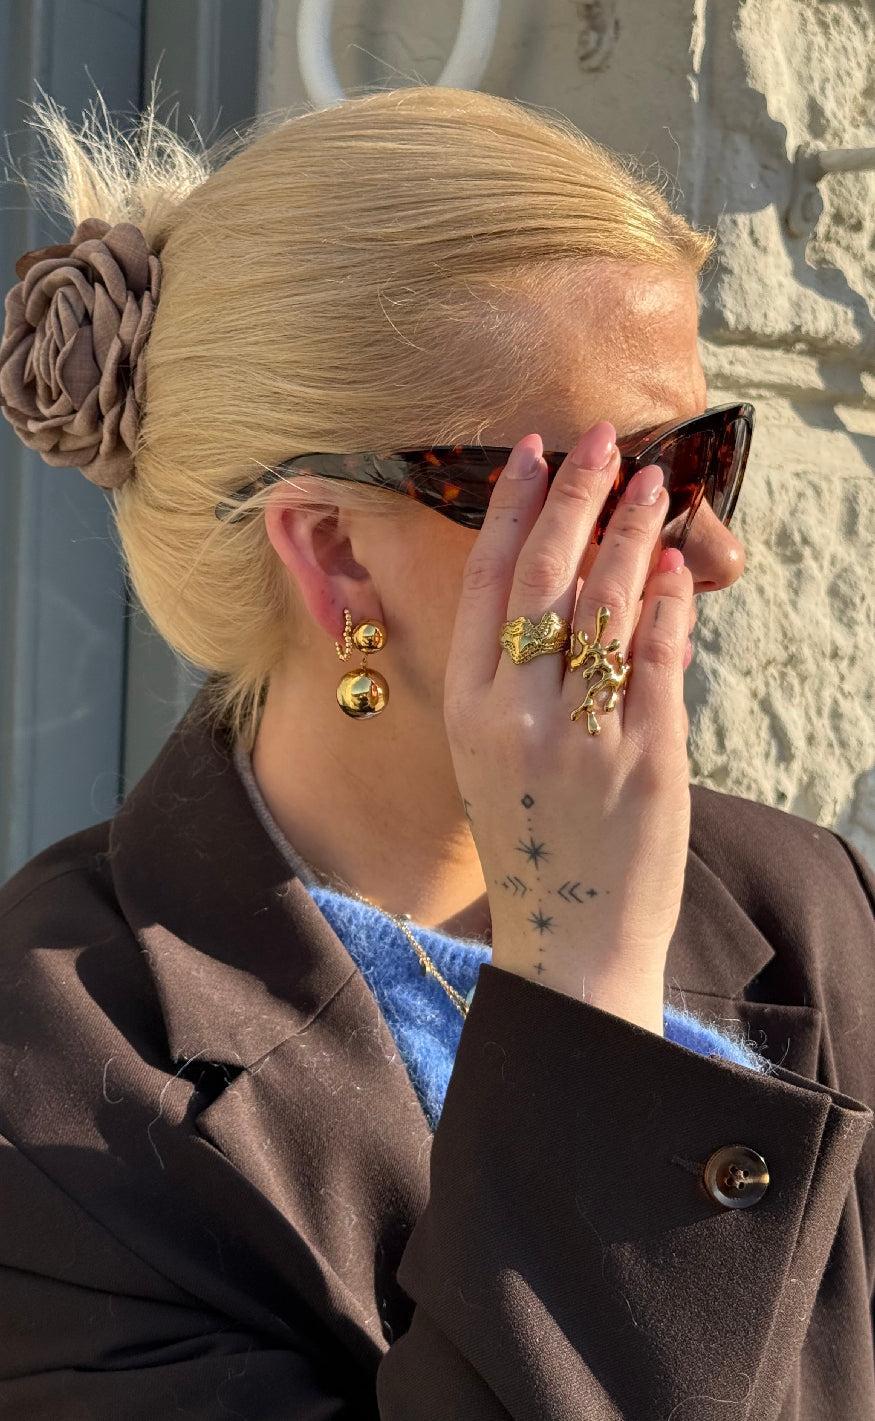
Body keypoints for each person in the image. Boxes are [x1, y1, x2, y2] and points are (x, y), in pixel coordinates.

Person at [0, 84, 872, 1421]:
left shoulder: (806, 908)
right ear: (337, 552)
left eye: (708, 457)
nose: (714, 552)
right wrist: (587, 989)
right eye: (621, 487)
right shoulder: (59, 1082)